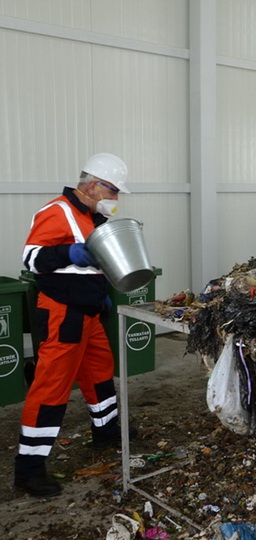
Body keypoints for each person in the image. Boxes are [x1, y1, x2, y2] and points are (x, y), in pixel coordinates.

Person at [15, 153, 130, 497]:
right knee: (51, 387)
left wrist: (102, 293)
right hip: (63, 313)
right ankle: (29, 470)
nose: (116, 199)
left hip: (89, 312)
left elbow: (96, 264)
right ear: (93, 185)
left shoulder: (91, 218)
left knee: (99, 373)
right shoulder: (57, 211)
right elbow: (32, 258)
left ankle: (106, 431)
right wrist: (69, 253)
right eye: (113, 191)